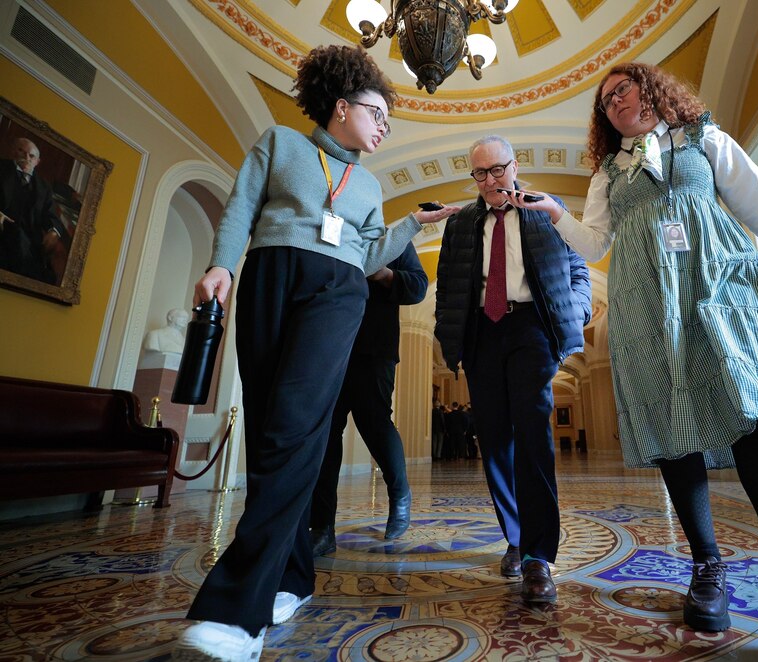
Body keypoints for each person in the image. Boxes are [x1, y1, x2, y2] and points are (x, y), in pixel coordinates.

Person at [504, 63, 758, 660]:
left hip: (719, 282)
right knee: (675, 431)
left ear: (650, 89)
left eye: (623, 88)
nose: (616, 101)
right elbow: (596, 242)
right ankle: (706, 564)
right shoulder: (608, 173)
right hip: (647, 301)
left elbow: (756, 193)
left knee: (757, 413)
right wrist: (553, 211)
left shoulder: (701, 136)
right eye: (606, 101)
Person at [172, 45, 457, 661]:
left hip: (339, 289)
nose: (383, 127)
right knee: (273, 428)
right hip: (271, 275)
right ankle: (292, 577)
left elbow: (371, 253)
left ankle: (237, 608)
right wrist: (222, 264)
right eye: (377, 113)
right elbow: (242, 207)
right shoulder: (279, 144)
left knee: (297, 428)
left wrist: (413, 225)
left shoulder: (371, 182)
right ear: (341, 106)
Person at [434, 135, 591, 604]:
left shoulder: (547, 207)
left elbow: (578, 264)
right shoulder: (461, 223)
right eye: (479, 173)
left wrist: (578, 307)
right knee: (494, 437)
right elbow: (448, 283)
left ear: (515, 165)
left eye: (497, 170)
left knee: (532, 432)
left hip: (531, 329)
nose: (490, 181)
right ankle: (517, 536)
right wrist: (450, 339)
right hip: (481, 332)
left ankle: (539, 556)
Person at [309, 241, 428, 556]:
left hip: (374, 347)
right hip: (326, 346)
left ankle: (399, 494)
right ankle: (321, 527)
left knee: (374, 422)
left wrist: (384, 275)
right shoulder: (332, 232)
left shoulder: (396, 240)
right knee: (324, 432)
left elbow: (417, 287)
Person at [0, 137, 64, 283]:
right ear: (12, 152)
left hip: (29, 244)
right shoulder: (1, 168)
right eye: (21, 150)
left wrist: (54, 231)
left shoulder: (44, 187)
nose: (26, 157)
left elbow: (51, 215)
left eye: (32, 155)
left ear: (37, 162)